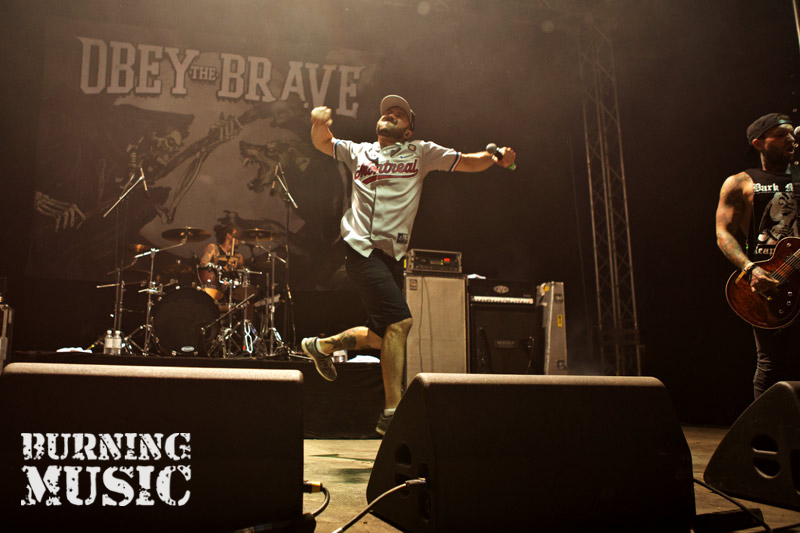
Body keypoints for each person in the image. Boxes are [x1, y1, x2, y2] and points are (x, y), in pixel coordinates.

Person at [304, 94, 517, 435]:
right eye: (387, 111)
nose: (390, 114)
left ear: (407, 131)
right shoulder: (358, 151)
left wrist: (495, 158)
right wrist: (319, 122)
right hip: (361, 249)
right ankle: (392, 412)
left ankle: (321, 346)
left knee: (381, 336)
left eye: (399, 114)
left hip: (392, 256)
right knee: (401, 323)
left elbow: (468, 162)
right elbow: (323, 142)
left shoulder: (421, 152)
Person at [716, 112, 800, 398]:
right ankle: (765, 425)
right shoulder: (741, 182)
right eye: (781, 134)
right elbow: (723, 233)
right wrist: (751, 269)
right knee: (770, 363)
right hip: (771, 282)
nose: (791, 139)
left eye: (792, 134)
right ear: (759, 143)